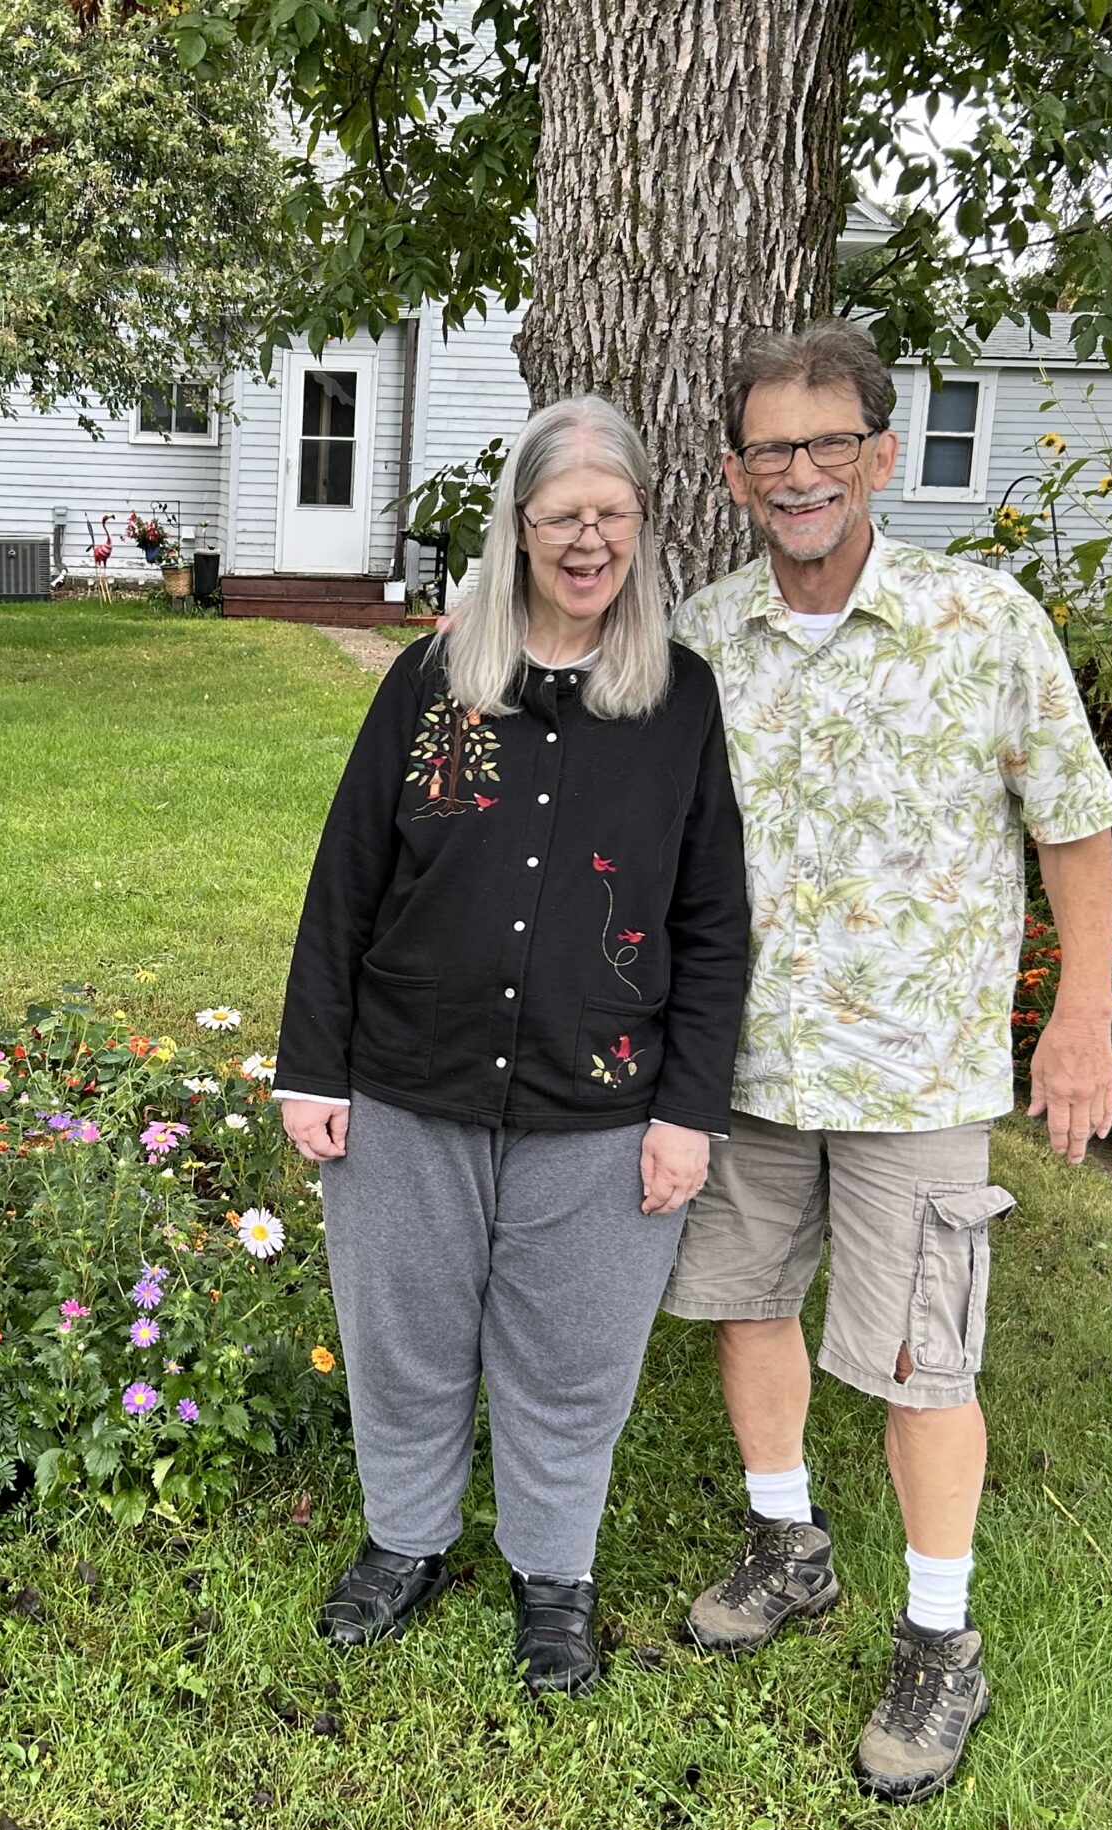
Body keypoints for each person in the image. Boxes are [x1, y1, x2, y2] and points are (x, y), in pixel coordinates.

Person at [664, 322, 1112, 1801]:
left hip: (916, 1073)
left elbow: (1075, 825)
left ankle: (940, 1638)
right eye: (768, 451)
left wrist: (1081, 1019)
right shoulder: (699, 637)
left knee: (927, 1358)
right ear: (734, 474)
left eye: (826, 445)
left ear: (878, 453)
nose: (798, 475)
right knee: (743, 1307)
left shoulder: (985, 625)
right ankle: (788, 1544)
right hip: (741, 1065)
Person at [274, 395, 750, 1697]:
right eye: (563, 517)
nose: (588, 540)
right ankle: (406, 1543)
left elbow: (712, 925)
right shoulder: (434, 682)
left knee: (571, 1357)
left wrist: (686, 1112)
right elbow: (347, 879)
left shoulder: (679, 702)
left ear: (643, 528)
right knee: (405, 1335)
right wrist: (312, 1068)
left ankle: (555, 1578)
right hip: (407, 1083)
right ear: (522, 527)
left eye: (612, 516)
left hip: (602, 1106)